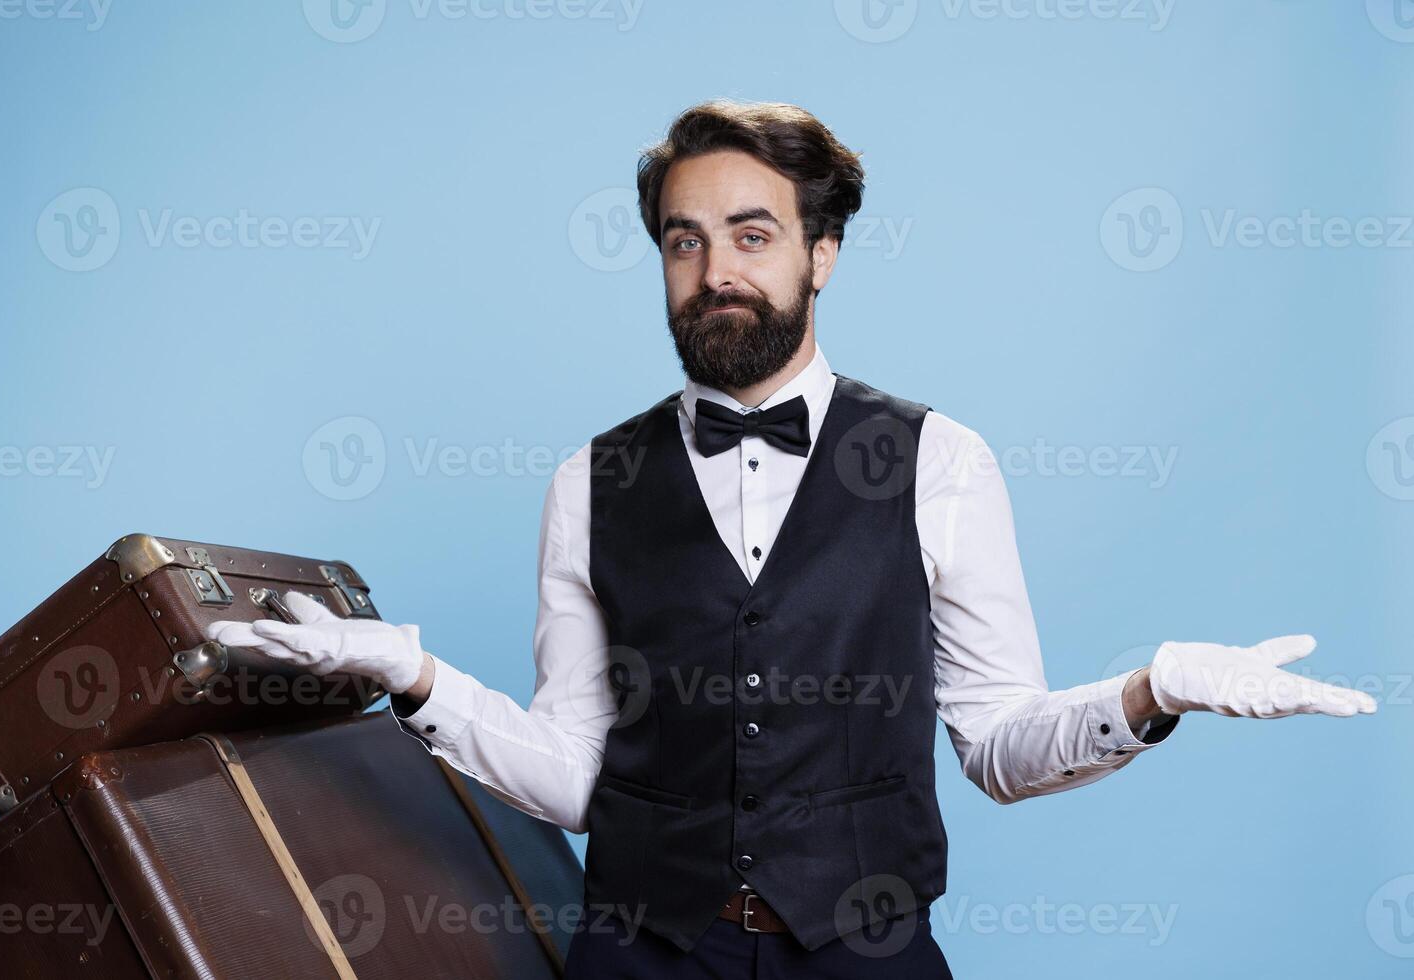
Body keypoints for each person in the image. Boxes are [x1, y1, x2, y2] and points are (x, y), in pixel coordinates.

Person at [208, 99, 1377, 979]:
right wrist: (416, 679)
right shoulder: (592, 480)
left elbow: (999, 746)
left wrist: (1148, 690)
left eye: (753, 234)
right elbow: (573, 777)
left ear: (822, 254)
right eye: (683, 240)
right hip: (643, 952)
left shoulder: (942, 461)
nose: (714, 272)